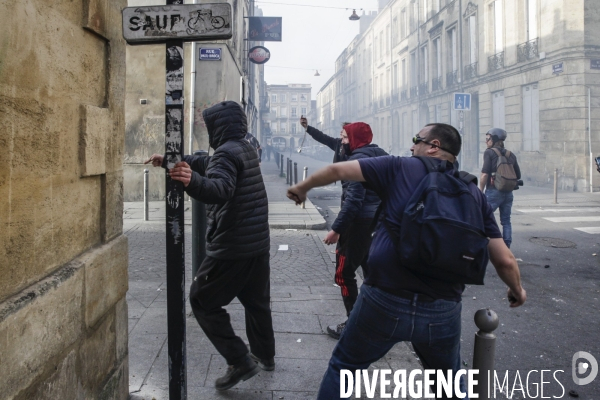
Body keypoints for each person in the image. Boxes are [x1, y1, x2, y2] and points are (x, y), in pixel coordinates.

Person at [286, 123, 527, 399]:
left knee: (344, 368)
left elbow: (337, 170)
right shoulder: (472, 192)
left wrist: (302, 187)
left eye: (417, 140)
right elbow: (505, 260)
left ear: (434, 145)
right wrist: (517, 290)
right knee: (450, 387)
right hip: (442, 308)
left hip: (384, 299)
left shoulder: (399, 167)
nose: (412, 146)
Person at [145, 101, 275, 391]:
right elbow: (207, 162)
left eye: (209, 126)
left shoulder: (227, 153)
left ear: (220, 126)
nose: (207, 131)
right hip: (257, 242)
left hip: (233, 245)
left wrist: (191, 182)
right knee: (256, 303)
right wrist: (170, 160)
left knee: (202, 300)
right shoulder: (244, 145)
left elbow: (220, 189)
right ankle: (265, 355)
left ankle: (239, 360)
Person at [479, 128, 521, 248]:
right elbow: (518, 175)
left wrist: (480, 191)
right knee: (506, 221)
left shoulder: (489, 153)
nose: (486, 142)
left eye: (487, 139)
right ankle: (506, 247)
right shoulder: (510, 154)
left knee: (481, 217)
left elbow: (484, 174)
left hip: (493, 191)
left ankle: (481, 244)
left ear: (494, 139)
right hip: (508, 193)